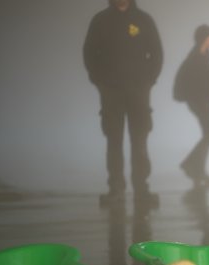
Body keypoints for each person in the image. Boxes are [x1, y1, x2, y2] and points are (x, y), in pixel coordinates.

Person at [83, 0, 163, 206]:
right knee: (114, 141)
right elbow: (90, 54)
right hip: (111, 93)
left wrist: (148, 82)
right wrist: (100, 82)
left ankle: (141, 190)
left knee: (140, 141)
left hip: (139, 92)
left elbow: (156, 54)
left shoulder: (143, 20)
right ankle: (116, 190)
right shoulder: (100, 20)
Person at [173, 24, 209, 187]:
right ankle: (191, 165)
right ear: (203, 38)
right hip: (197, 101)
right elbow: (185, 79)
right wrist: (189, 97)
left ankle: (197, 171)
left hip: (205, 101)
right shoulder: (194, 57)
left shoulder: (206, 54)